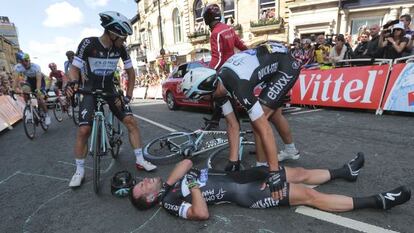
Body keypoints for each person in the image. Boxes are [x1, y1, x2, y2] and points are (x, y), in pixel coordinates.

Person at [181, 41, 302, 199]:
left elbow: (264, 128)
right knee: (274, 114)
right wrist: (233, 161)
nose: (202, 100)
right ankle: (291, 150)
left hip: (285, 66)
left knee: (259, 120)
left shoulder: (239, 86)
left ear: (206, 91)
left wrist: (274, 172)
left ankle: (263, 166)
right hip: (272, 60)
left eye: (201, 97)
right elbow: (232, 124)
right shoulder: (218, 88)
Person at [129, 154, 411, 220]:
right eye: (143, 186)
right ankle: (377, 201)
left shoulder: (168, 187)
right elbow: (201, 214)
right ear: (151, 198)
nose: (144, 181)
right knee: (310, 196)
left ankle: (345, 171)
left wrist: (169, 183)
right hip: (246, 193)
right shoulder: (169, 203)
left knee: (297, 172)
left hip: (244, 176)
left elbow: (188, 161)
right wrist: (192, 188)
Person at [65, 11, 156, 188]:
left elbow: (130, 72)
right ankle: (79, 170)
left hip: (110, 90)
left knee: (130, 121)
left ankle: (140, 159)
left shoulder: (120, 49)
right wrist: (74, 82)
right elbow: (74, 68)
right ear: (112, 34)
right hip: (90, 89)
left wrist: (128, 96)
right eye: (123, 37)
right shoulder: (88, 43)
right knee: (84, 130)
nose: (125, 41)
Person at [202, 4, 248, 166]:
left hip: (224, 73)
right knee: (230, 106)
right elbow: (241, 46)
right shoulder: (228, 28)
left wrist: (208, 74)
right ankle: (219, 122)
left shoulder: (215, 33)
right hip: (234, 71)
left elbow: (218, 57)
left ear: (207, 18)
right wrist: (250, 54)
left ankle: (234, 140)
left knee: (221, 99)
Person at [13, 52, 51, 125]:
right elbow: (16, 79)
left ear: (29, 60)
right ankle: (29, 110)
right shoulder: (18, 67)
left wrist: (38, 90)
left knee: (39, 97)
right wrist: (13, 89)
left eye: (26, 60)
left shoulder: (36, 67)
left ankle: (46, 115)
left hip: (39, 80)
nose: (25, 63)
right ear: (20, 62)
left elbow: (38, 80)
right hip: (29, 80)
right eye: (22, 61)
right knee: (25, 91)